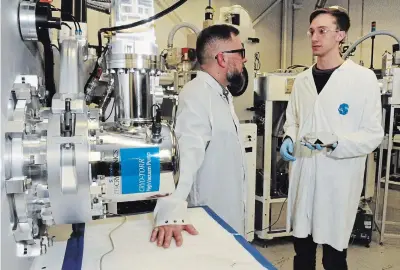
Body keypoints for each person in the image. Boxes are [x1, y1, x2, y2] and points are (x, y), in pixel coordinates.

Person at [280, 6, 383, 270]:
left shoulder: (362, 79)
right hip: (304, 174)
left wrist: (335, 143)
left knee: (334, 258)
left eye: (322, 31)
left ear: (341, 35)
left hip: (338, 179)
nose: (315, 37)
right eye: (312, 31)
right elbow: (293, 118)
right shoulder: (301, 80)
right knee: (302, 252)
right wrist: (289, 137)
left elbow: (373, 134)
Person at [150, 24, 248, 248]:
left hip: (228, 214)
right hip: (209, 219)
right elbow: (186, 156)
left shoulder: (220, 95)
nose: (244, 60)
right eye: (241, 53)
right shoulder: (198, 94)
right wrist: (170, 213)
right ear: (222, 59)